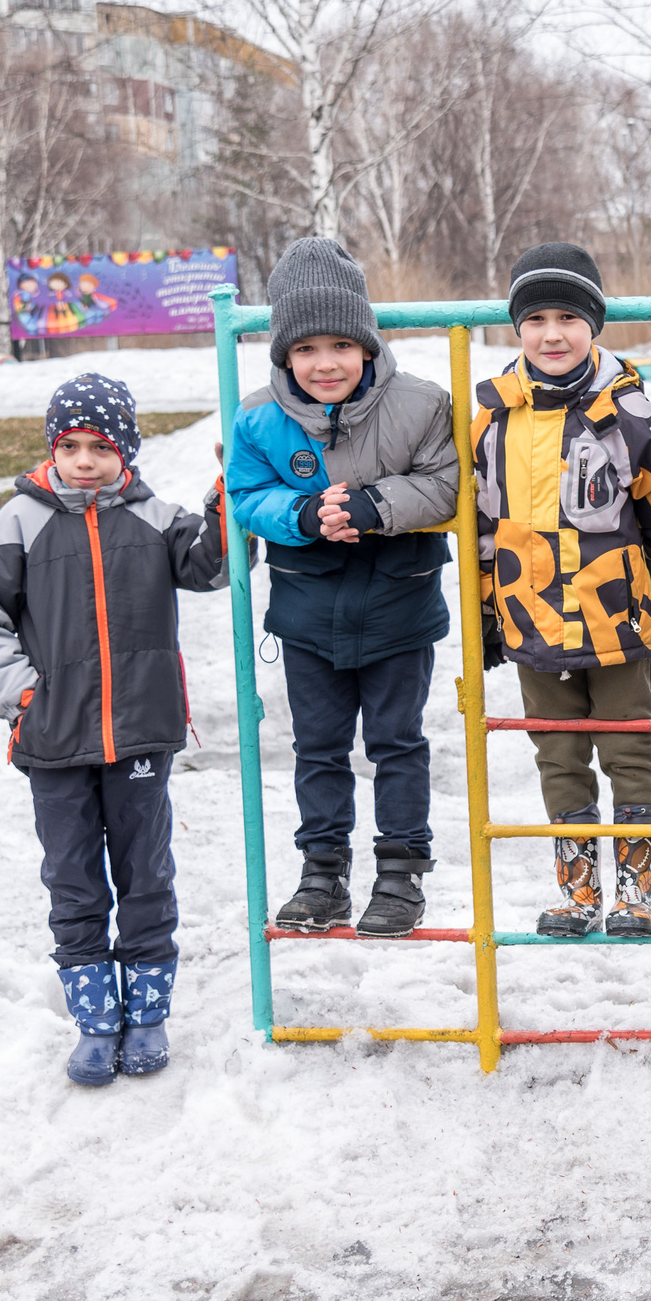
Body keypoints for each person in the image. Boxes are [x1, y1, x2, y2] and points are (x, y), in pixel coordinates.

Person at [0, 374, 228, 1086]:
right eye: (70, 446)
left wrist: (227, 502)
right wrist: (21, 695)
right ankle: (94, 1019)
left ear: (126, 452)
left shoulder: (155, 516)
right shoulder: (20, 520)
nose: (84, 461)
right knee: (72, 878)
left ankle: (148, 1010)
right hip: (53, 739)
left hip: (140, 732)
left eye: (100, 447)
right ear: (52, 448)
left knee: (145, 874)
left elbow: (211, 565)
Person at [226, 236, 461, 938]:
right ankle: (321, 873)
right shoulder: (258, 417)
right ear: (283, 355)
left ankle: (400, 874)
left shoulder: (420, 402)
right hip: (307, 606)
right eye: (304, 349)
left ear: (366, 344)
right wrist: (301, 514)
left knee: (397, 740)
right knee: (317, 746)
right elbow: (245, 491)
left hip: (398, 599)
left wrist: (372, 505)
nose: (324, 363)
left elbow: (447, 483)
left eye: (339, 345)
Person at [470, 243, 651, 938]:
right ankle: (576, 888)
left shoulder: (630, 414)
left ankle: (635, 888)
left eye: (569, 316)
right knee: (558, 751)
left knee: (629, 747)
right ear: (517, 329)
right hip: (530, 614)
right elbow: (480, 523)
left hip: (613, 614)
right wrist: (485, 608)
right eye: (535, 319)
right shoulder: (490, 419)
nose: (552, 334)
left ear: (593, 324)